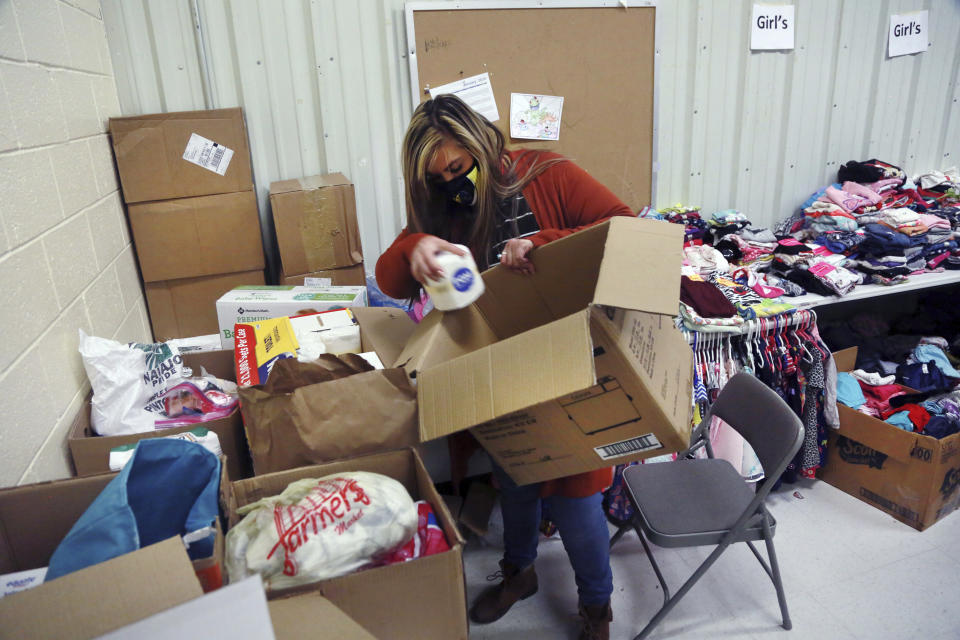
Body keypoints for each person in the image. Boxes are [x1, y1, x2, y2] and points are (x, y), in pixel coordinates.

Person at [375, 94, 634, 640]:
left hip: (569, 357)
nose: (451, 181)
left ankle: (597, 607)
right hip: (499, 367)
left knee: (576, 498)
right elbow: (393, 281)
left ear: (482, 146)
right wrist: (415, 244)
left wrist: (543, 242)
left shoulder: (547, 173)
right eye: (436, 175)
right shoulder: (441, 207)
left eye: (457, 165)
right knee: (515, 477)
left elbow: (624, 227)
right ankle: (520, 575)